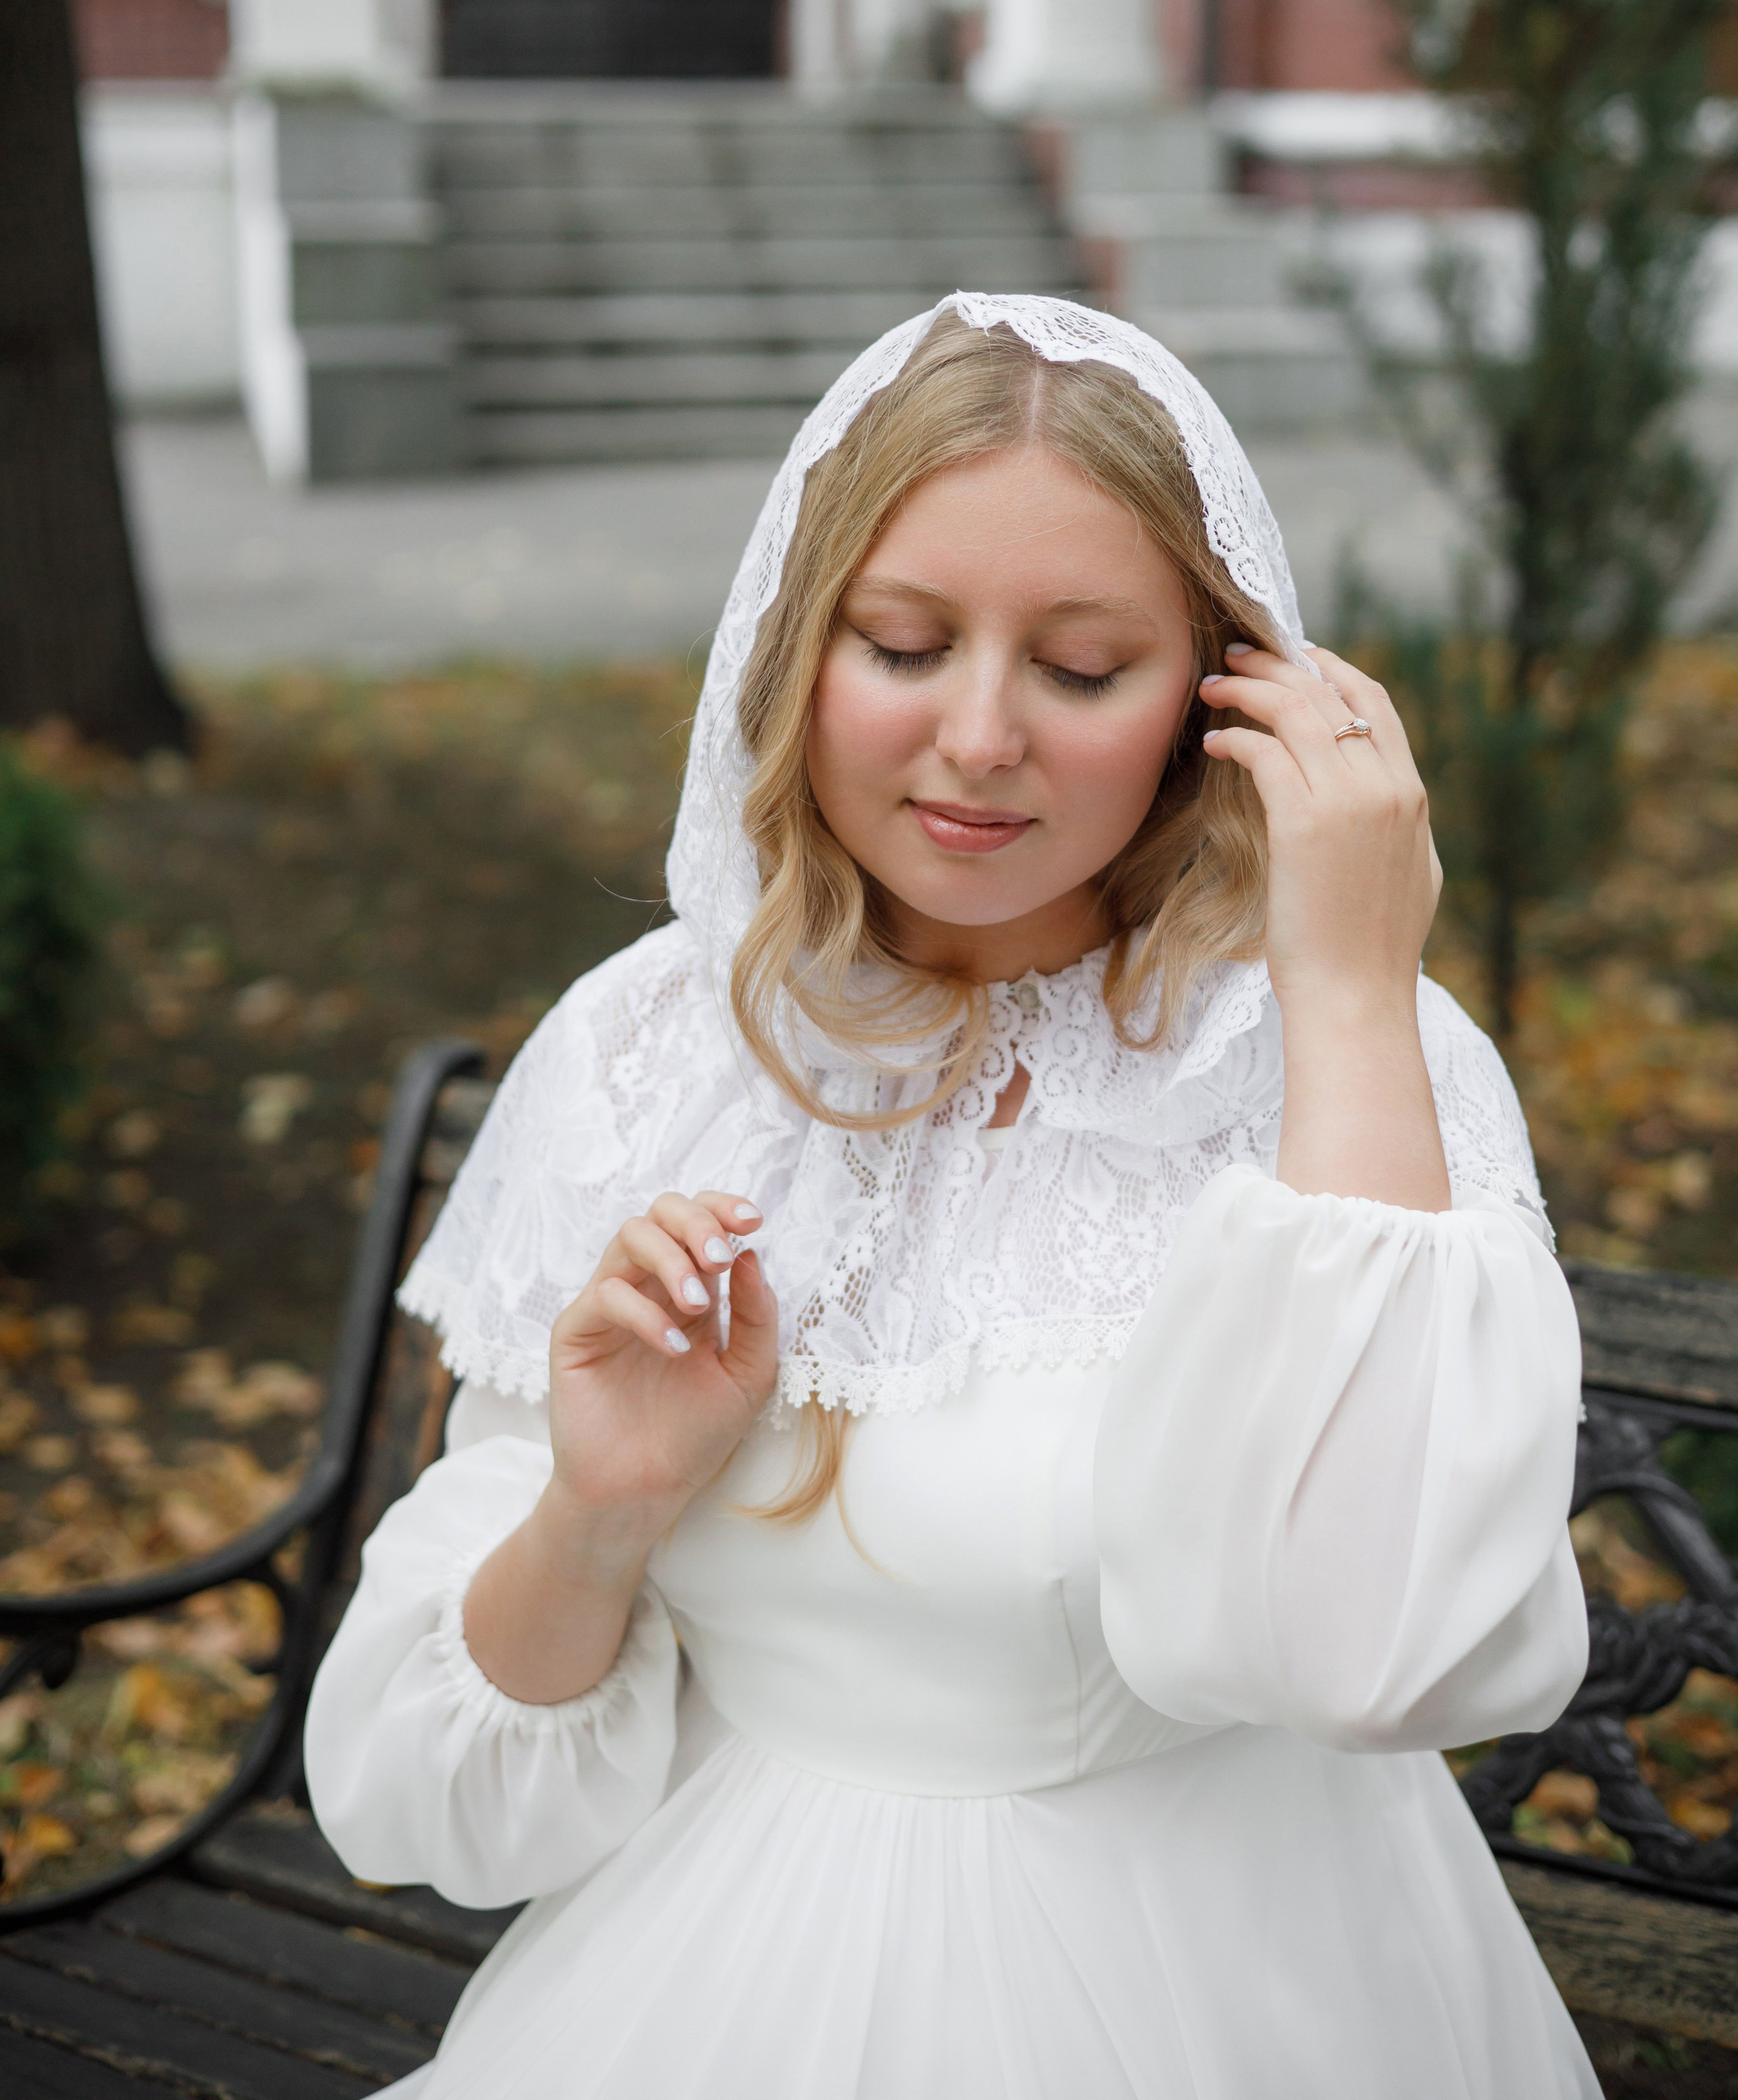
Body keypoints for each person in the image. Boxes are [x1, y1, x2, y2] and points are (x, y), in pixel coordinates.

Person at [304, 295, 1598, 2100]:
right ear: (791, 645)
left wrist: (1354, 987)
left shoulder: (1356, 1057)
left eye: (1080, 672)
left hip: (1226, 1979)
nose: (978, 738)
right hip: (718, 1974)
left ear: (1213, 703)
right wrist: (603, 1508)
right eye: (904, 644)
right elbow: (438, 1816)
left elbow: (1375, 1656)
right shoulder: (645, 1054)